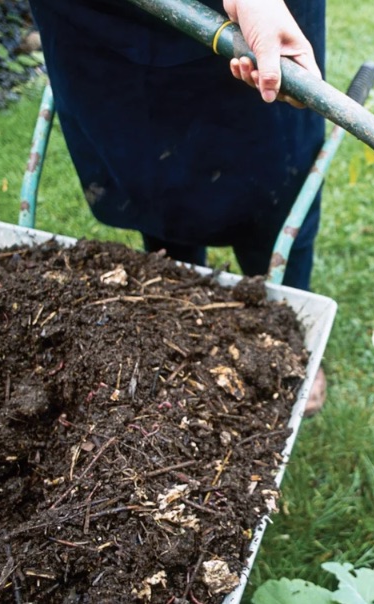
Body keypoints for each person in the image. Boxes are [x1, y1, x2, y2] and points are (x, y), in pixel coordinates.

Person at [26, 0, 328, 413]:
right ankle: (178, 320)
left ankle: (287, 333)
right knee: (150, 176)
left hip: (254, 19)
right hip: (104, 24)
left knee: (275, 182)